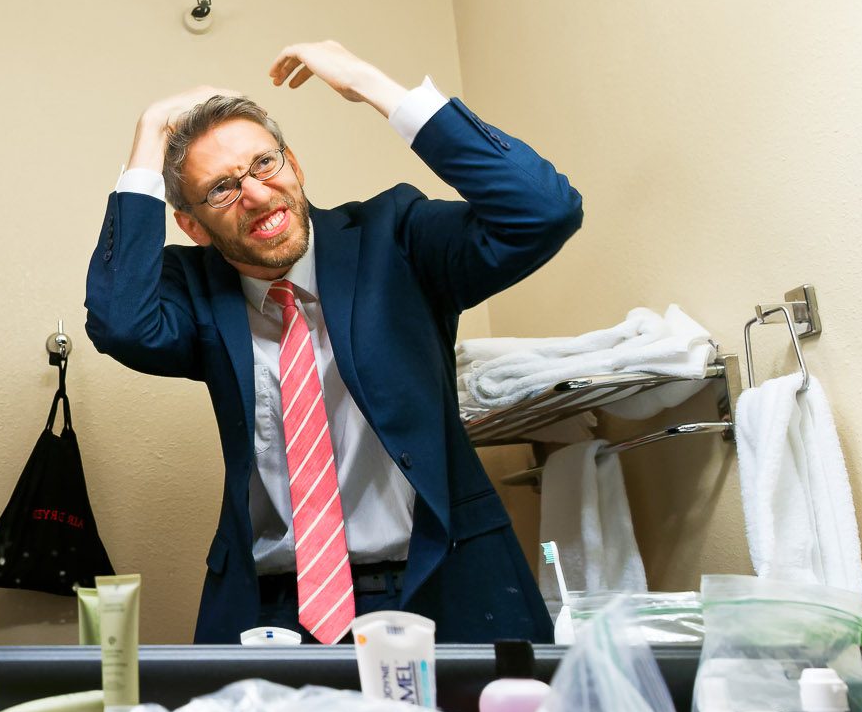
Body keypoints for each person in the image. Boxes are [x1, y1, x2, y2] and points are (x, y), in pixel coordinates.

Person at [85, 40, 581, 645]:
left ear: (293, 162)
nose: (258, 194)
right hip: (271, 611)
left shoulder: (394, 237)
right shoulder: (195, 288)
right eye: (222, 188)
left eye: (266, 164)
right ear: (191, 224)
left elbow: (544, 211)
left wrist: (373, 85)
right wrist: (148, 136)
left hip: (445, 586)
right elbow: (119, 323)